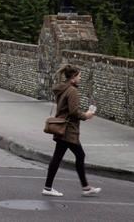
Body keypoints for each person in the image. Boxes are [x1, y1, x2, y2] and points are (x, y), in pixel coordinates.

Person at [42, 64, 102, 198]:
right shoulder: (72, 91)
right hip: (68, 129)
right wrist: (86, 115)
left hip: (62, 127)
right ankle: (85, 188)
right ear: (73, 78)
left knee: (59, 157)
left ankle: (49, 187)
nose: (80, 78)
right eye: (79, 76)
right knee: (79, 155)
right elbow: (73, 112)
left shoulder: (62, 88)